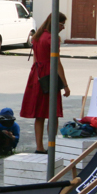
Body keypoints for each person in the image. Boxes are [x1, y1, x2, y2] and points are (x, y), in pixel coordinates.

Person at [20, 12, 70, 153]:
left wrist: (37, 75)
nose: (63, 28)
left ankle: (39, 147)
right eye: (62, 24)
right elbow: (57, 62)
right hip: (49, 76)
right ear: (56, 23)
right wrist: (65, 85)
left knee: (40, 114)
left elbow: (35, 59)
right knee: (53, 113)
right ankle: (51, 146)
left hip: (37, 75)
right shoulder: (53, 38)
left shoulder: (37, 36)